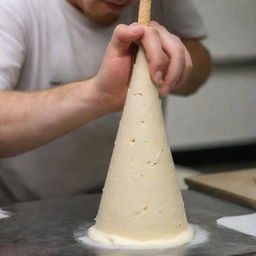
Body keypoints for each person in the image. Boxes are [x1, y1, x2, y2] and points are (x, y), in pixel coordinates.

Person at [0, 0, 211, 205]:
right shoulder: (13, 8)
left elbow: (199, 67)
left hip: (124, 197)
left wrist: (168, 64)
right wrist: (97, 94)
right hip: (20, 205)